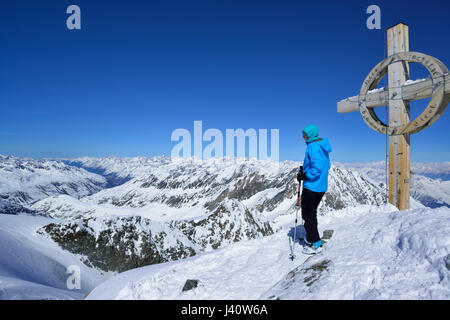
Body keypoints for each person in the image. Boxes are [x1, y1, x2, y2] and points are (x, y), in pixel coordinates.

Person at [296, 124, 332, 255]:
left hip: (312, 186)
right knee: (311, 213)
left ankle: (315, 242)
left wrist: (305, 175)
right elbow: (326, 165)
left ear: (310, 135)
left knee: (307, 214)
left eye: (304, 134)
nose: (302, 136)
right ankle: (312, 237)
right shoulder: (322, 147)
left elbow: (316, 168)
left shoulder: (312, 147)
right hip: (320, 186)